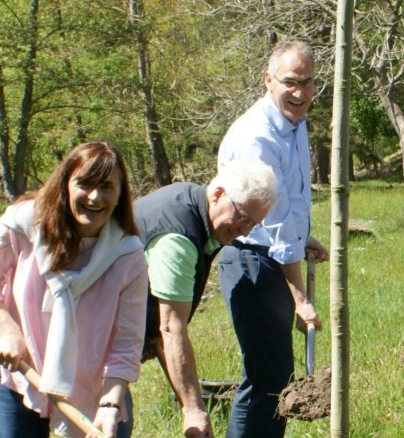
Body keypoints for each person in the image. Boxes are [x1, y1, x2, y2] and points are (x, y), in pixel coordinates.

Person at [0, 141, 148, 437]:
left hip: (94, 388)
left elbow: (126, 341)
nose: (94, 196)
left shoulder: (128, 255)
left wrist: (110, 404)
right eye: (85, 184)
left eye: (106, 187)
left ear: (120, 195)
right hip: (20, 372)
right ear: (65, 184)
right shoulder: (26, 222)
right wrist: (7, 329)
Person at [216, 40, 329, 437]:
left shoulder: (294, 125)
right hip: (253, 262)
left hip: (273, 255)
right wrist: (299, 298)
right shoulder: (258, 136)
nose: (300, 93)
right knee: (265, 377)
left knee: (277, 372)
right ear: (268, 80)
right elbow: (275, 226)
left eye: (308, 82)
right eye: (291, 82)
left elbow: (286, 204)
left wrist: (305, 237)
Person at [133, 160, 276, 438]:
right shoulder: (178, 238)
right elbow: (171, 328)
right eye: (243, 217)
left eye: (253, 224)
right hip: (88, 346)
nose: (245, 230)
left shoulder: (196, 204)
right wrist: (193, 409)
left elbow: (161, 328)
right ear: (219, 193)